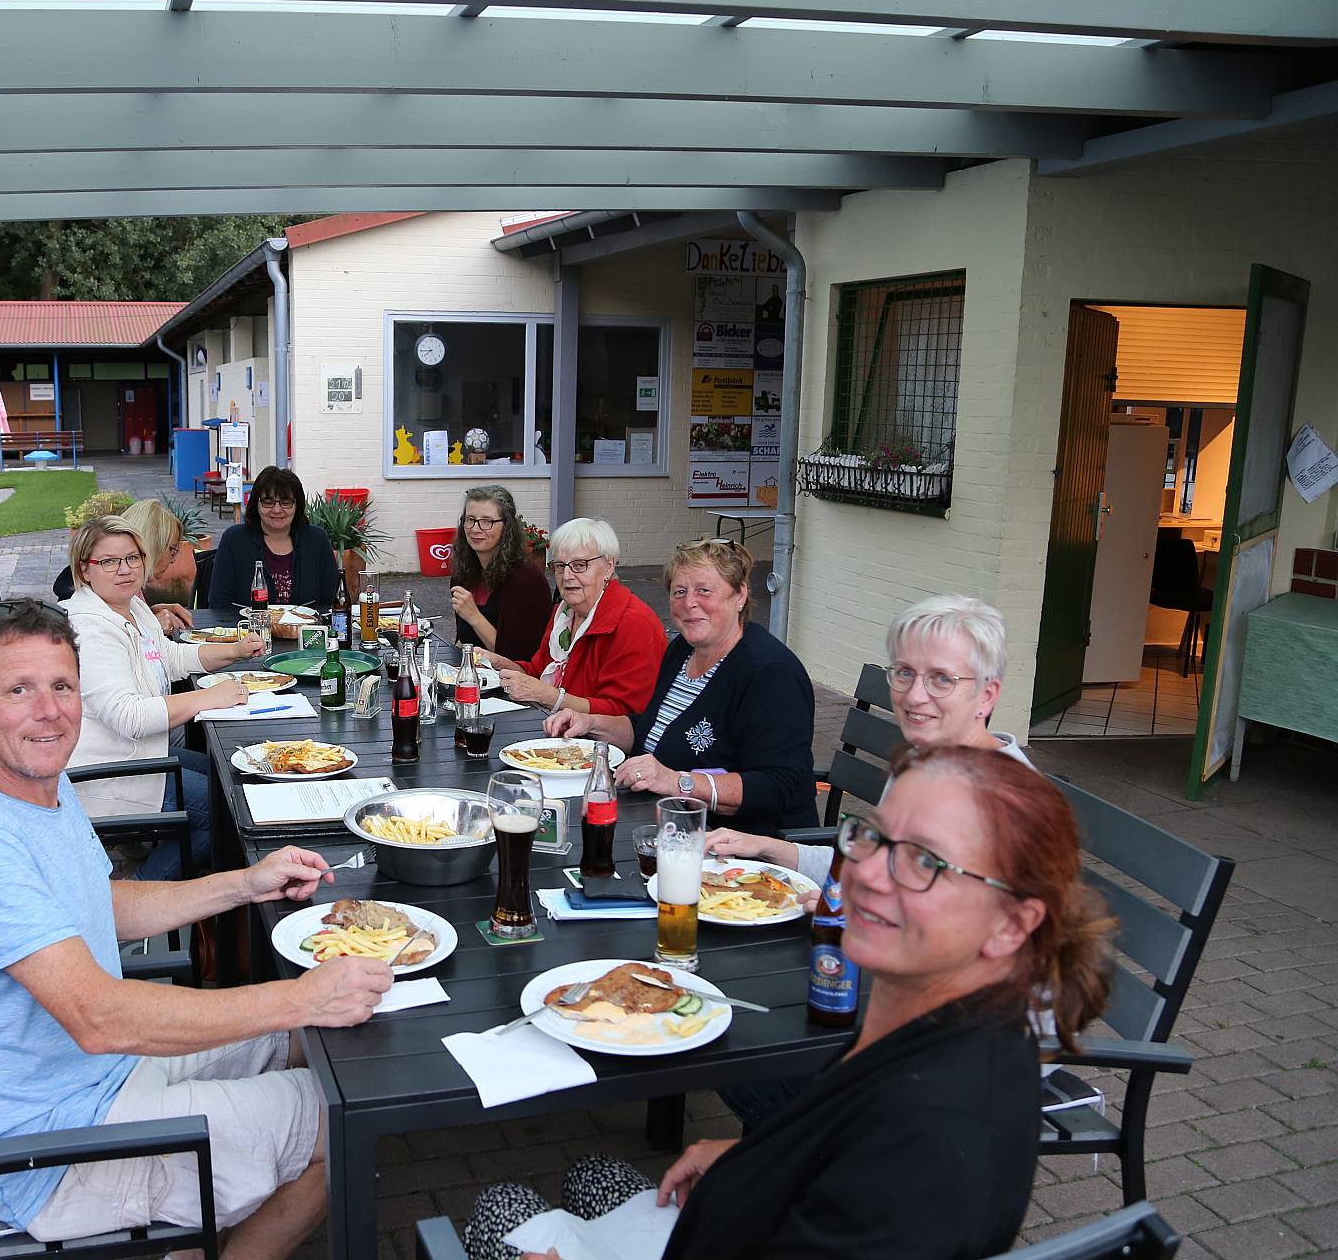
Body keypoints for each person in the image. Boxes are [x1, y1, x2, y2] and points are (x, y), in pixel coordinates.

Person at [464, 747, 1114, 1260]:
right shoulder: (945, 1026)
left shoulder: (934, 1140)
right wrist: (758, 1164)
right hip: (747, 1219)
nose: (864, 874)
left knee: (497, 1208)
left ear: (1012, 924)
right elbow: (835, 1146)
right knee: (592, 1172)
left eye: (924, 862)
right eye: (873, 838)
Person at [0, 600, 393, 1255]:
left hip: (99, 1076)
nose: (47, 710)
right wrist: (299, 994)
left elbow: (97, 906)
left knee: (316, 1045)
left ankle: (188, 1231)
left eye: (62, 686)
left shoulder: (36, 786)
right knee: (348, 1118)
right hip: (49, 1152)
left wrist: (244, 885)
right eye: (18, 690)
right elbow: (100, 1016)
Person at [709, 594, 1031, 879]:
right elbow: (876, 865)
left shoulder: (1005, 800)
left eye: (942, 679)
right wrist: (767, 848)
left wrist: (849, 911)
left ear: (987, 696)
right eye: (905, 672)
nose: (915, 696)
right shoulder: (920, 759)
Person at [543, 539, 815, 836]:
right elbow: (649, 730)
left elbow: (775, 786)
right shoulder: (682, 651)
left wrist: (678, 782)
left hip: (738, 845)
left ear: (740, 595)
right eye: (679, 592)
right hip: (661, 819)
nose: (689, 603)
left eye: (704, 590)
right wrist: (591, 724)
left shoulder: (770, 672)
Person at [61, 516, 265, 880]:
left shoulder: (131, 607)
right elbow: (131, 717)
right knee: (229, 809)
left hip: (141, 757)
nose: (124, 569)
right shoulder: (91, 629)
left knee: (231, 772)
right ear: (84, 570)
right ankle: (134, 904)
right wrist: (210, 697)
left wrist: (234, 650)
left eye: (133, 558)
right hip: (109, 777)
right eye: (109, 561)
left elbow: (171, 659)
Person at [478, 518, 666, 718]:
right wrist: (498, 664)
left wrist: (551, 697)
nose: (566, 575)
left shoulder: (634, 624)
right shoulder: (565, 612)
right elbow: (537, 672)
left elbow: (624, 715)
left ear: (609, 567)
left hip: (598, 745)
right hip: (554, 729)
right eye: (560, 566)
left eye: (579, 565)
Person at [208, 466, 338, 612]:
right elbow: (219, 605)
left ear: (297, 505)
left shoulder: (317, 540)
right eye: (268, 502)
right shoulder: (234, 540)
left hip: (305, 632)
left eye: (286, 502)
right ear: (255, 504)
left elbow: (332, 603)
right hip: (249, 631)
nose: (277, 510)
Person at [447, 484, 551, 663]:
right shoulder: (464, 573)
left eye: (487, 521)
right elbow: (463, 641)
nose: (475, 529)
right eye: (470, 519)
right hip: (472, 676)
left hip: (512, 683)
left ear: (507, 527)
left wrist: (474, 616)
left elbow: (519, 658)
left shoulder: (526, 581)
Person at [124, 497, 200, 635]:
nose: (174, 560)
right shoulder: (118, 586)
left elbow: (127, 619)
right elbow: (112, 634)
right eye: (172, 551)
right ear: (153, 545)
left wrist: (150, 612)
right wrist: (152, 626)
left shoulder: (131, 584)